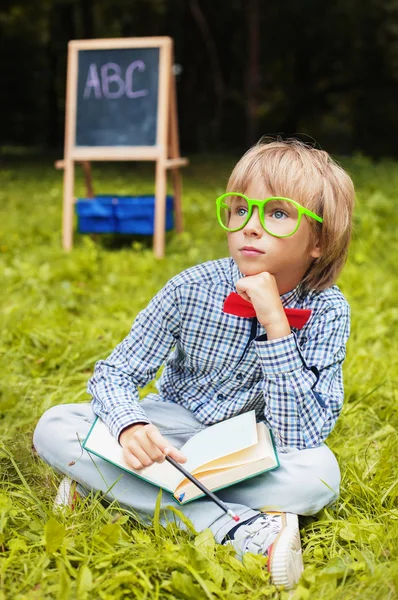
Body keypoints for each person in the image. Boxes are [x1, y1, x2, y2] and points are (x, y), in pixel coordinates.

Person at [33, 138, 355, 590]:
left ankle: (108, 489)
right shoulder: (190, 288)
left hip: (254, 444)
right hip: (175, 429)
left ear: (318, 241)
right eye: (240, 209)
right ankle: (235, 527)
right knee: (55, 425)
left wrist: (274, 326)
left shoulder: (328, 310)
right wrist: (128, 427)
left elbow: (302, 435)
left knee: (319, 476)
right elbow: (116, 374)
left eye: (278, 214)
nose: (251, 227)